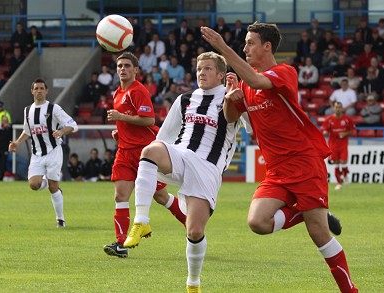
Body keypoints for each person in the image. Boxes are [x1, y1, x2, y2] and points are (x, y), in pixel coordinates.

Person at [200, 22, 358, 292]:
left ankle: (350, 290)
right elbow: (229, 117)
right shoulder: (246, 85)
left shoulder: (284, 72)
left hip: (304, 162)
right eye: (244, 43)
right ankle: (304, 212)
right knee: (257, 222)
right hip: (276, 170)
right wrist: (229, 97)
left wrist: (222, 48)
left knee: (319, 234)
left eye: (250, 43)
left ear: (267, 46)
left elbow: (256, 79)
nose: (245, 47)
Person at [123, 51, 240, 292]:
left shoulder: (232, 98)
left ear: (220, 74)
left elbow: (251, 122)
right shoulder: (185, 99)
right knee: (150, 151)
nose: (201, 73)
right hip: (182, 155)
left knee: (195, 230)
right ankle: (141, 220)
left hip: (208, 167)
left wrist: (236, 96)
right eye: (199, 69)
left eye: (207, 69)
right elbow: (163, 136)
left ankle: (193, 283)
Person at [102, 52, 186, 258]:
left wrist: (121, 117)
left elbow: (148, 120)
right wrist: (120, 131)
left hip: (145, 152)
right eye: (120, 65)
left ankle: (189, 221)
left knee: (161, 196)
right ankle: (120, 244)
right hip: (124, 151)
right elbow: (131, 121)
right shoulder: (117, 93)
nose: (122, 69)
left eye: (127, 66)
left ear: (136, 70)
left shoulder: (137, 90)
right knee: (120, 195)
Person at [8, 78, 78, 228]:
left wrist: (61, 131)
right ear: (32, 91)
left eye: (41, 88)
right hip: (37, 154)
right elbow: (27, 131)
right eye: (36, 88)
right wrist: (17, 143)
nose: (39, 91)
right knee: (34, 184)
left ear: (46, 91)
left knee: (54, 187)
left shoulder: (54, 108)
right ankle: (46, 183)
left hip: (53, 151)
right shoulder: (27, 110)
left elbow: (73, 125)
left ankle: (60, 219)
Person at [322, 102, 356, 190]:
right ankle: (339, 183)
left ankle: (345, 176)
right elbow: (324, 130)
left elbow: (353, 131)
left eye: (339, 107)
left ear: (342, 108)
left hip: (343, 144)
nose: (338, 109)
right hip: (333, 145)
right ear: (333, 108)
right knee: (336, 164)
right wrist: (325, 132)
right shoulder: (329, 119)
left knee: (343, 162)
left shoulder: (347, 119)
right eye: (336, 107)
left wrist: (345, 133)